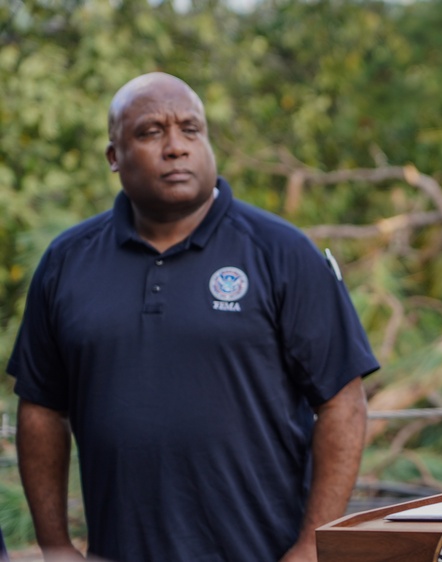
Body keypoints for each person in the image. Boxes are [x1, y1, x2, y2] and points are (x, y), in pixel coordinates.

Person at [7, 72, 380, 562]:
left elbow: (343, 405)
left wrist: (312, 544)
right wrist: (55, 544)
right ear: (114, 157)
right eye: (150, 132)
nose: (176, 147)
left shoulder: (281, 253)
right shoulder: (67, 262)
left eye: (190, 129)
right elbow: (41, 409)